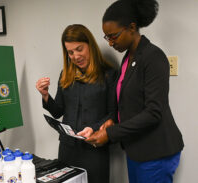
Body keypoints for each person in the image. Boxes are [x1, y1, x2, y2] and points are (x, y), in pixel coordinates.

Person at [79, 0, 184, 182]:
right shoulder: (128, 58)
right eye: (107, 38)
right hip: (137, 150)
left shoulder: (153, 57)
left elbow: (153, 112)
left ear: (132, 28)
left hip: (156, 152)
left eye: (114, 36)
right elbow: (129, 104)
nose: (110, 43)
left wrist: (110, 134)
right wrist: (111, 122)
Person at [36, 24, 117, 183]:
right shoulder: (66, 74)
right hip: (68, 149)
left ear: (90, 46)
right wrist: (45, 95)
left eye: (79, 49)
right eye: (70, 52)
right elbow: (58, 111)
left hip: (95, 149)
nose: (75, 56)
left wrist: (93, 128)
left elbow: (113, 113)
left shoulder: (108, 74)